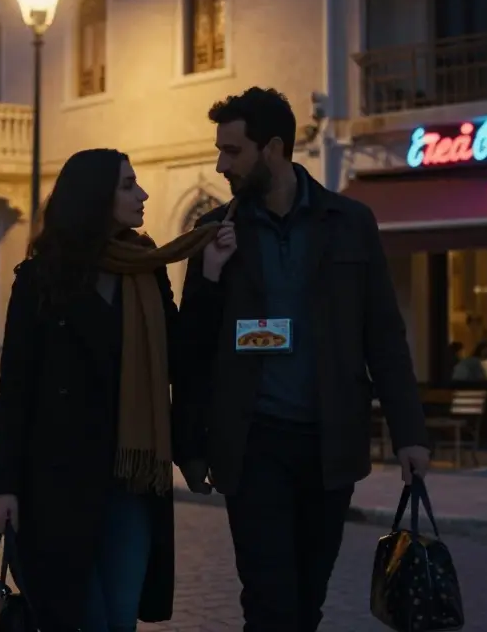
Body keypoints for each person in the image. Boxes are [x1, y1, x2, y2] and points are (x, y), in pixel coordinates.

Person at [178, 87, 431, 632]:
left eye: (232, 151)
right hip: (252, 445)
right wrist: (191, 448)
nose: (221, 164)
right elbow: (192, 352)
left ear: (272, 149)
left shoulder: (350, 222)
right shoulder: (212, 233)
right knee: (270, 605)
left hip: (329, 444)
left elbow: (383, 333)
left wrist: (410, 432)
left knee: (306, 604)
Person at [0, 148, 234, 632]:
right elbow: (15, 387)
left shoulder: (147, 268)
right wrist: (3, 485)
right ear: (95, 197)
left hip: (130, 484)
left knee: (118, 618)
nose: (142, 194)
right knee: (80, 618)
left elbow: (182, 357)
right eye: (127, 185)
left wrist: (213, 275)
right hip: (55, 484)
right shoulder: (39, 278)